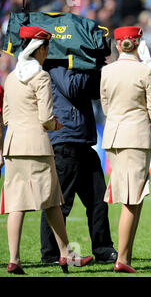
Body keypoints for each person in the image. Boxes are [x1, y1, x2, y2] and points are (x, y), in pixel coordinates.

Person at [1, 26, 93, 274]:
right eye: (47, 48)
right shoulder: (41, 77)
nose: (47, 52)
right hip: (37, 146)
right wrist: (55, 124)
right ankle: (65, 254)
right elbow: (45, 118)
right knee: (53, 201)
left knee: (15, 205)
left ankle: (14, 259)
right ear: (40, 49)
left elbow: (6, 117)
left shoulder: (10, 78)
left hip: (14, 146)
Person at [39, 56, 117, 265]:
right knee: (60, 202)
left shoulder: (76, 65)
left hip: (81, 139)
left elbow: (93, 92)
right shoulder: (55, 64)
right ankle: (51, 254)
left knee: (99, 200)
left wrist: (96, 68)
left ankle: (103, 250)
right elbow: (71, 87)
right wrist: (90, 67)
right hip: (65, 139)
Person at [100, 26, 151, 273]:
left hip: (113, 137)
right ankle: (123, 259)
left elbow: (105, 107)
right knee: (131, 199)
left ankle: (126, 257)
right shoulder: (144, 71)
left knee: (130, 197)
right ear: (138, 43)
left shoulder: (107, 71)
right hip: (135, 137)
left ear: (118, 45)